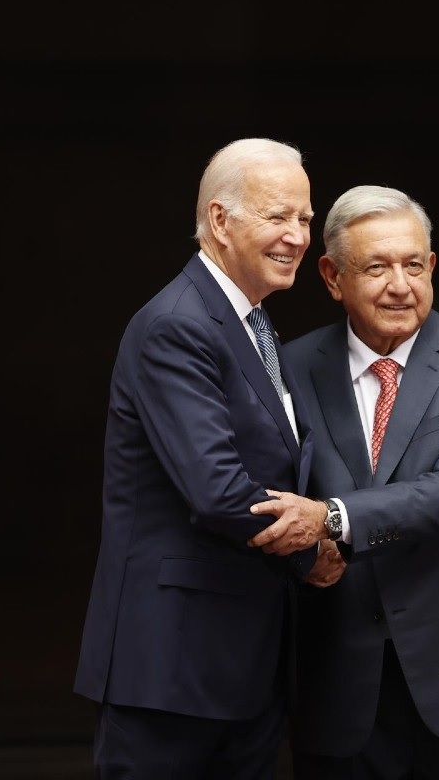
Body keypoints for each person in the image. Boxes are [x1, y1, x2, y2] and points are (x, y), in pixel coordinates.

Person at [249, 185, 439, 779]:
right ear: (332, 277)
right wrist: (303, 557)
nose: (400, 285)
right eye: (376, 267)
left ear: (432, 266)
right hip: (341, 676)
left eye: (413, 264)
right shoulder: (289, 367)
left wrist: (330, 518)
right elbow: (268, 493)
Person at [74, 137, 340, 779]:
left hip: (240, 670)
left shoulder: (251, 322)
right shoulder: (178, 324)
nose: (299, 237)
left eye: (305, 220)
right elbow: (218, 489)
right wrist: (315, 548)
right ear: (221, 220)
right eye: (279, 217)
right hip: (171, 669)